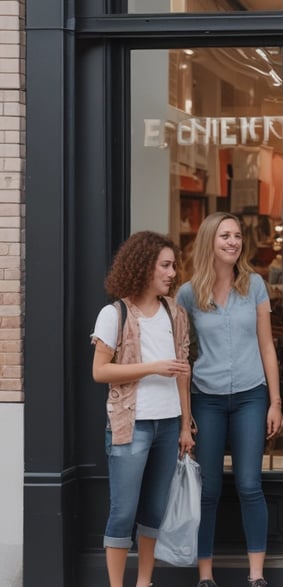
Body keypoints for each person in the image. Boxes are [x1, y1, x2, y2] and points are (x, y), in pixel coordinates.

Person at [177, 212, 283, 587]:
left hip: (251, 397)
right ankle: (205, 575)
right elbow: (182, 358)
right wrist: (184, 416)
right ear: (210, 240)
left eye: (237, 236)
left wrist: (275, 401)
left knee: (250, 484)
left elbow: (267, 345)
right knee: (207, 489)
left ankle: (256, 575)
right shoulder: (187, 293)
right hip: (206, 398)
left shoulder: (254, 284)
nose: (233, 242)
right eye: (225, 236)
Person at [91, 231, 194, 587]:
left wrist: (185, 424)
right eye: (165, 265)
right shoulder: (114, 313)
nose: (172, 273)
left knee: (153, 511)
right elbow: (100, 371)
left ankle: (145, 582)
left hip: (168, 426)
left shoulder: (175, 313)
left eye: (173, 266)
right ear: (143, 267)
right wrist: (153, 367)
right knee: (123, 511)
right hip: (130, 426)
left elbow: (183, 370)